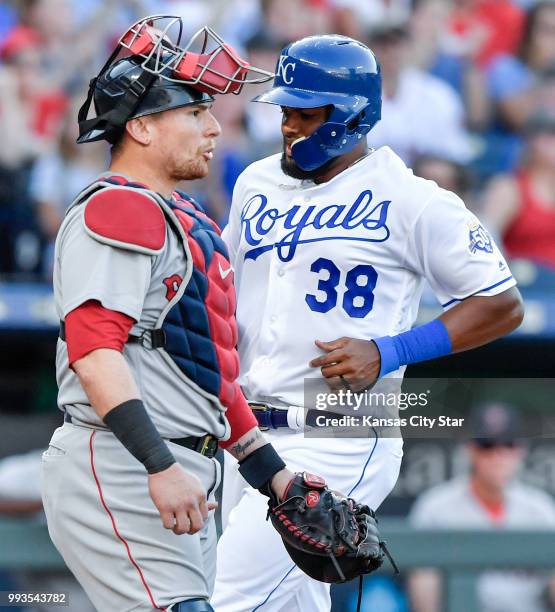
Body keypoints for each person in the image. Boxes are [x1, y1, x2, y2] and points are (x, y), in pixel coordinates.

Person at [212, 34, 524, 611]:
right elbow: (227, 293)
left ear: (351, 115)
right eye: (285, 110)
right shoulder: (255, 182)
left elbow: (502, 302)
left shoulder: (412, 199)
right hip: (250, 435)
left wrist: (390, 350)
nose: (288, 125)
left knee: (224, 598)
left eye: (306, 113)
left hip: (340, 432)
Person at [40, 16, 300, 612]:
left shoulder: (182, 218)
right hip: (125, 459)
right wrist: (158, 464)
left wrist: (276, 478)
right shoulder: (120, 210)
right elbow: (93, 350)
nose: (214, 129)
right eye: (195, 113)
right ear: (143, 127)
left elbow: (208, 377)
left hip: (182, 467)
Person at [408, 402, 555, 612]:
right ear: (471, 450)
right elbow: (424, 595)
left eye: (508, 445)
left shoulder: (541, 509)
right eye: (488, 446)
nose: (498, 456)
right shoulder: (435, 507)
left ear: (520, 450)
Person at [481, 110, 555, 269]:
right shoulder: (509, 188)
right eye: (550, 136)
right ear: (533, 142)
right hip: (525, 286)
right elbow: (484, 243)